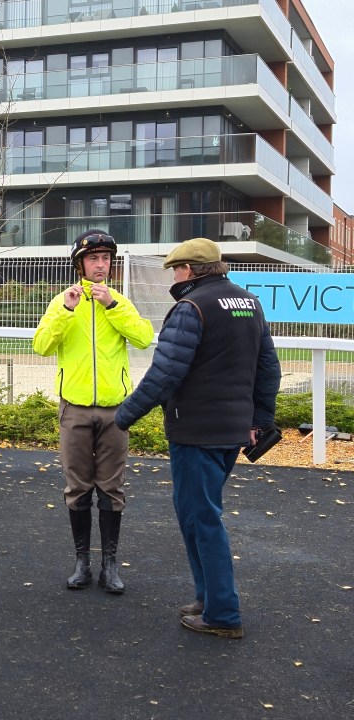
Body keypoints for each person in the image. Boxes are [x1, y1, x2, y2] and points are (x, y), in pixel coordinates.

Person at [115, 238, 281, 639]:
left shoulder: (191, 308)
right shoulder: (249, 303)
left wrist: (123, 416)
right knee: (196, 514)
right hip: (232, 431)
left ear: (188, 270)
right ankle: (208, 597)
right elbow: (269, 369)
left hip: (195, 431)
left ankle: (223, 613)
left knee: (202, 519)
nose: (173, 277)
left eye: (176, 270)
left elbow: (165, 373)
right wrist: (261, 419)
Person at [33, 229, 154, 593]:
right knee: (77, 488)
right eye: (93, 259)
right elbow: (40, 345)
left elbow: (144, 337)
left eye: (106, 260)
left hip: (116, 411)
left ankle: (110, 565)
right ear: (80, 264)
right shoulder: (63, 302)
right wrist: (67, 312)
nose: (101, 265)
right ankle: (82, 562)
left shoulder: (119, 301)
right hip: (75, 410)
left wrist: (113, 308)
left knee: (112, 489)